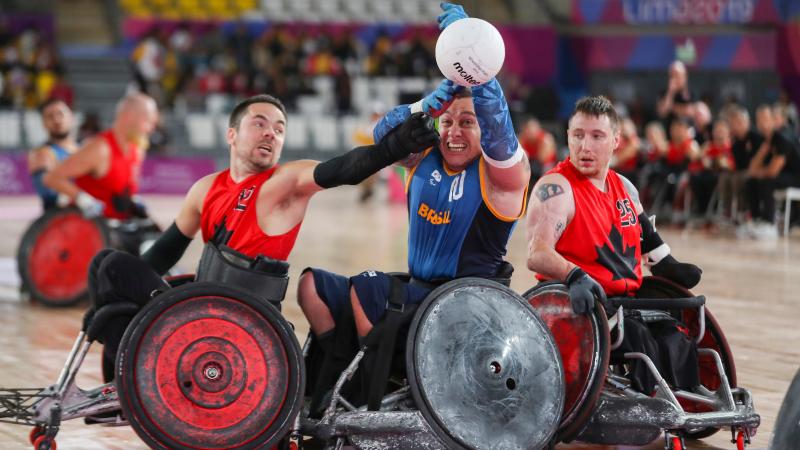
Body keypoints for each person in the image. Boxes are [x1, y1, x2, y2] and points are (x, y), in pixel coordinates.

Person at [82, 93, 438, 386]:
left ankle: (140, 372)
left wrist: (393, 148)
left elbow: (344, 168)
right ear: (231, 135)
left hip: (243, 322)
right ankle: (142, 365)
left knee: (112, 269)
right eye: (260, 124)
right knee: (106, 266)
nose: (271, 133)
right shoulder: (205, 189)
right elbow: (163, 253)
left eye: (279, 129)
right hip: (201, 306)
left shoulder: (283, 184)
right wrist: (111, 302)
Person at [296, 2, 530, 413]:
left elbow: (498, 127)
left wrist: (471, 57)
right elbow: (382, 133)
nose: (454, 132)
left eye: (467, 123)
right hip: (417, 295)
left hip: (466, 304)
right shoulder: (423, 157)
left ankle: (369, 404)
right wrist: (428, 106)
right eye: (449, 121)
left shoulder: (502, 176)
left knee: (369, 289)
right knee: (313, 286)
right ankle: (336, 387)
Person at [525, 95, 702, 395]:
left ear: (616, 141)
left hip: (629, 301)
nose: (585, 146)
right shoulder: (556, 188)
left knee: (676, 337)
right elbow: (537, 254)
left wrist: (671, 266)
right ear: (567, 136)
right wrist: (574, 275)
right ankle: (654, 407)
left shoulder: (626, 188)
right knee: (638, 339)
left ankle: (689, 400)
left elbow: (651, 244)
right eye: (578, 135)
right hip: (584, 302)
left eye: (597, 136)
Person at [43, 92, 159, 220]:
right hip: (91, 230)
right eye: (148, 121)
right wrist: (83, 199)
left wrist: (132, 200)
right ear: (129, 117)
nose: (151, 128)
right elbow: (51, 178)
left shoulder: (137, 151)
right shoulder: (100, 149)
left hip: (117, 227)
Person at [742, 105, 800, 238]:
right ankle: (756, 220)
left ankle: (769, 224)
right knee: (751, 181)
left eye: (765, 119)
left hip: (797, 177)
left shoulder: (783, 138)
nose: (762, 123)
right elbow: (752, 168)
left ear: (774, 120)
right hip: (785, 175)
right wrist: (765, 147)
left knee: (767, 182)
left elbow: (772, 171)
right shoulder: (766, 139)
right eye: (759, 119)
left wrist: (757, 172)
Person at [27, 98, 78, 211]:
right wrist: (81, 197)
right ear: (43, 123)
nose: (57, 120)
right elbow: (47, 192)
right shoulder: (41, 154)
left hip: (90, 222)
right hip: (59, 221)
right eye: (50, 116)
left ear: (71, 117)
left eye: (60, 114)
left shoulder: (85, 149)